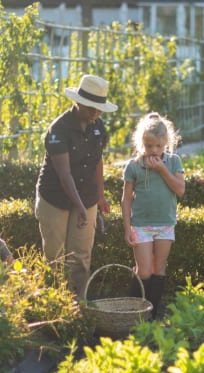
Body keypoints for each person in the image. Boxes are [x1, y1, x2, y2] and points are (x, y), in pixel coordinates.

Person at [35, 74, 116, 299]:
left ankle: (78, 305)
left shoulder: (98, 128)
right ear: (78, 102)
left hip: (87, 195)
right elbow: (64, 173)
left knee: (80, 256)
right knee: (55, 255)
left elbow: (97, 162)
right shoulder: (58, 130)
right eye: (91, 108)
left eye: (100, 109)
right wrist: (80, 207)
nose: (96, 114)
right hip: (55, 197)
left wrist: (99, 198)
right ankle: (53, 303)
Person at [121, 112, 185, 318]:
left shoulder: (174, 161)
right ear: (142, 144)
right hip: (141, 226)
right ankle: (133, 312)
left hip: (165, 225)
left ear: (166, 143)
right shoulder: (133, 166)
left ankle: (152, 315)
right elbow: (126, 199)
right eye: (149, 146)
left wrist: (162, 169)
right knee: (144, 271)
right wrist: (127, 228)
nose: (154, 151)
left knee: (159, 269)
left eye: (158, 146)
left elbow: (180, 190)